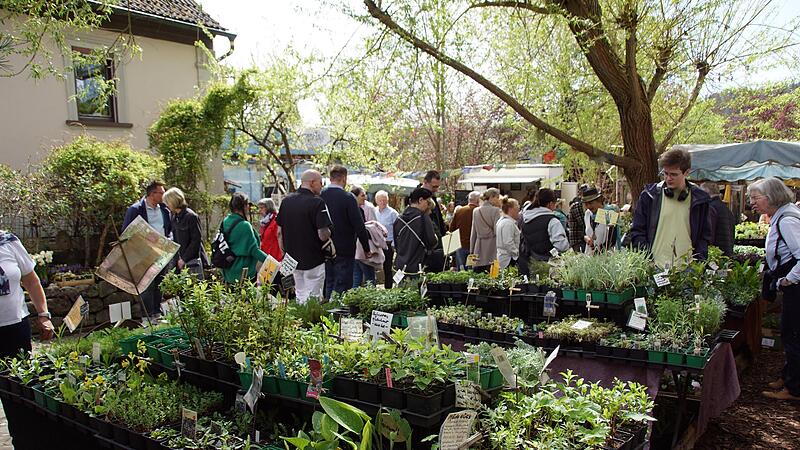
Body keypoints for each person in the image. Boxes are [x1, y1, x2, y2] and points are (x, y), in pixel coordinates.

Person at [0, 231, 54, 448]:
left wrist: (43, 315)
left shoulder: (8, 242)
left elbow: (31, 281)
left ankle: (25, 443)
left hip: (14, 330)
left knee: (18, 394)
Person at [749, 178, 800, 401]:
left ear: (771, 197)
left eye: (755, 198)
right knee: (790, 331)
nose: (752, 203)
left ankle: (794, 388)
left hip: (796, 288)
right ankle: (789, 376)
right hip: (792, 286)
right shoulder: (782, 215)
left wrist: (789, 279)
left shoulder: (787, 221)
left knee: (793, 333)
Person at [630, 148, 712, 269]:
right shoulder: (649, 196)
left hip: (688, 270)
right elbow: (637, 231)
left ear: (686, 172)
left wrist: (698, 262)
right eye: (665, 173)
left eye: (673, 174)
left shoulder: (700, 200)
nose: (668, 178)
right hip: (654, 268)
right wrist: (647, 258)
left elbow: (704, 236)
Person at [276, 170, 332, 303]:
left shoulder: (286, 201)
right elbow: (322, 235)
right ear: (312, 183)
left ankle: (299, 315)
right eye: (320, 183)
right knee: (313, 297)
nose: (322, 186)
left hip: (292, 259)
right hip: (313, 258)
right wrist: (330, 232)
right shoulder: (317, 203)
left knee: (300, 294)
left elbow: (279, 233)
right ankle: (310, 317)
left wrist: (284, 253)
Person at [122, 180, 171, 318]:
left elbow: (169, 229)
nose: (164, 195)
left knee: (160, 282)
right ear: (152, 194)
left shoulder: (165, 210)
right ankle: (147, 316)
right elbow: (126, 232)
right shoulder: (136, 210)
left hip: (162, 252)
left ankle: (157, 313)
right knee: (146, 284)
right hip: (143, 253)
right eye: (161, 193)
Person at [321, 166, 372, 299]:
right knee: (342, 285)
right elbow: (359, 225)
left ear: (330, 178)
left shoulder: (320, 195)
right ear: (344, 178)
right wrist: (366, 248)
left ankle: (327, 307)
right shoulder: (348, 198)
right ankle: (337, 309)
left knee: (328, 282)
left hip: (324, 247)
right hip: (344, 248)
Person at [220, 192, 267, 283]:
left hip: (228, 271)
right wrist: (271, 261)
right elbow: (254, 250)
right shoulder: (244, 225)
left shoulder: (225, 221)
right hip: (243, 273)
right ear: (244, 206)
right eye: (247, 205)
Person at [394, 187, 438, 276]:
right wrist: (435, 238)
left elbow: (396, 244)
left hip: (400, 266)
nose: (428, 206)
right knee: (416, 285)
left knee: (401, 285)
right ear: (420, 200)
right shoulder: (423, 217)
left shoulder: (399, 218)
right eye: (428, 202)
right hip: (417, 266)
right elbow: (432, 241)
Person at [163, 187, 206, 279]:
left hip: (191, 262)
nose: (166, 205)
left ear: (173, 201)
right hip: (178, 261)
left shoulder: (191, 216)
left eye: (167, 202)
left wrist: (184, 259)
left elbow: (196, 241)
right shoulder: (174, 217)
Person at [520, 188, 569, 261]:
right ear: (550, 204)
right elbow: (562, 246)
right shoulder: (552, 221)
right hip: (549, 263)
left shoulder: (526, 218)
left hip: (529, 262)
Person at [351, 185, 384, 287]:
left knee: (357, 277)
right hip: (362, 248)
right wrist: (367, 249)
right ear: (355, 196)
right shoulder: (361, 209)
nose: (365, 197)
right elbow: (369, 229)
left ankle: (353, 296)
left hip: (355, 248)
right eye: (362, 195)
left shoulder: (357, 208)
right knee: (369, 278)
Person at [470, 188, 502, 272]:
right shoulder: (496, 210)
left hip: (478, 247)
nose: (498, 200)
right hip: (493, 248)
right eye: (497, 197)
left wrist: (471, 250)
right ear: (492, 197)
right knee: (493, 275)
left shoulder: (475, 211)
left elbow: (473, 233)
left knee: (477, 276)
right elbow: (497, 231)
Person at [701, 182, 736, 256]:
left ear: (705, 193)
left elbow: (709, 234)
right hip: (727, 252)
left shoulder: (710, 208)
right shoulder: (726, 209)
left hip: (715, 254)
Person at [421, 170, 446, 271]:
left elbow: (438, 219)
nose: (436, 189)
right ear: (425, 182)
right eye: (434, 186)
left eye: (437, 186)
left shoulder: (433, 197)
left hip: (437, 246)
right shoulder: (417, 197)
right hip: (427, 249)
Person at [449, 191, 480, 270]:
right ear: (478, 200)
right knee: (472, 269)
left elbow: (451, 228)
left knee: (461, 270)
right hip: (474, 246)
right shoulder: (479, 212)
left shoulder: (459, 211)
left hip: (460, 245)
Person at [582, 186, 617, 254]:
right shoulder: (588, 214)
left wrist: (597, 251)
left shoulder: (610, 212)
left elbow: (611, 240)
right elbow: (585, 232)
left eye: (590, 203)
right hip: (589, 255)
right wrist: (586, 238)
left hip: (606, 256)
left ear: (599, 200)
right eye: (586, 204)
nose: (588, 206)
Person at [375, 190, 399, 288]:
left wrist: (394, 244)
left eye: (384, 200)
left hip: (388, 244)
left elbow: (397, 230)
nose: (382, 202)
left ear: (387, 200)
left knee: (387, 267)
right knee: (374, 266)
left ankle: (388, 288)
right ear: (376, 201)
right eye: (380, 200)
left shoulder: (393, 213)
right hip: (376, 244)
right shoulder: (374, 211)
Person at [496, 197, 521, 269]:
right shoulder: (508, 223)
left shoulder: (502, 221)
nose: (518, 210)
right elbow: (508, 242)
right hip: (508, 259)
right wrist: (516, 253)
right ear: (510, 209)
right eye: (517, 208)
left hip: (504, 257)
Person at [257, 198, 283, 262]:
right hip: (267, 257)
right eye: (259, 208)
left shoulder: (276, 220)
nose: (259, 211)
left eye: (262, 208)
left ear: (269, 208)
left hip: (276, 258)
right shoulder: (264, 221)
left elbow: (280, 238)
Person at [567, 184, 589, 252]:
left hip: (583, 240)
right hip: (578, 241)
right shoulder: (577, 206)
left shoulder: (583, 206)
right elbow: (584, 223)